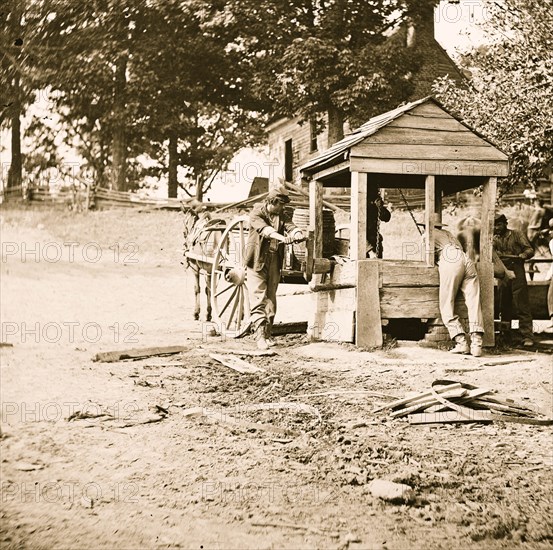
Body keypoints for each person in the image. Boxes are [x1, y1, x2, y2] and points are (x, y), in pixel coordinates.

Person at [245, 184, 304, 349]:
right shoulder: (256, 213)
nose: (283, 207)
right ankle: (260, 337)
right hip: (257, 260)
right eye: (281, 204)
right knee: (258, 297)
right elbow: (266, 231)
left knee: (271, 297)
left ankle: (268, 334)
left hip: (274, 260)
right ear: (273, 201)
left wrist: (297, 233)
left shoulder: (281, 214)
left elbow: (290, 225)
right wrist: (282, 238)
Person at [421, 222, 484, 356]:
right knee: (474, 302)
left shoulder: (427, 234)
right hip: (465, 259)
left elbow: (427, 260)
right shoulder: (449, 234)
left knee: (446, 304)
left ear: (425, 225)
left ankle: (461, 342)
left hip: (450, 260)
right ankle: (477, 344)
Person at [493, 213, 535, 346]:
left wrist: (524, 255)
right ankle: (506, 335)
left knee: (521, 303)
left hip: (517, 270)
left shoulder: (516, 234)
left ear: (505, 224)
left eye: (499, 224)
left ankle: (527, 336)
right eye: (494, 225)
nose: (496, 228)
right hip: (503, 273)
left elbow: (530, 249)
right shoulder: (493, 239)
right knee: (504, 304)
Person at [366, 189, 391, 258]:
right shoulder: (359, 208)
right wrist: (369, 251)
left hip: (375, 243)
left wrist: (380, 207)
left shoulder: (374, 207)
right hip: (363, 248)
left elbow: (386, 217)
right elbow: (356, 233)